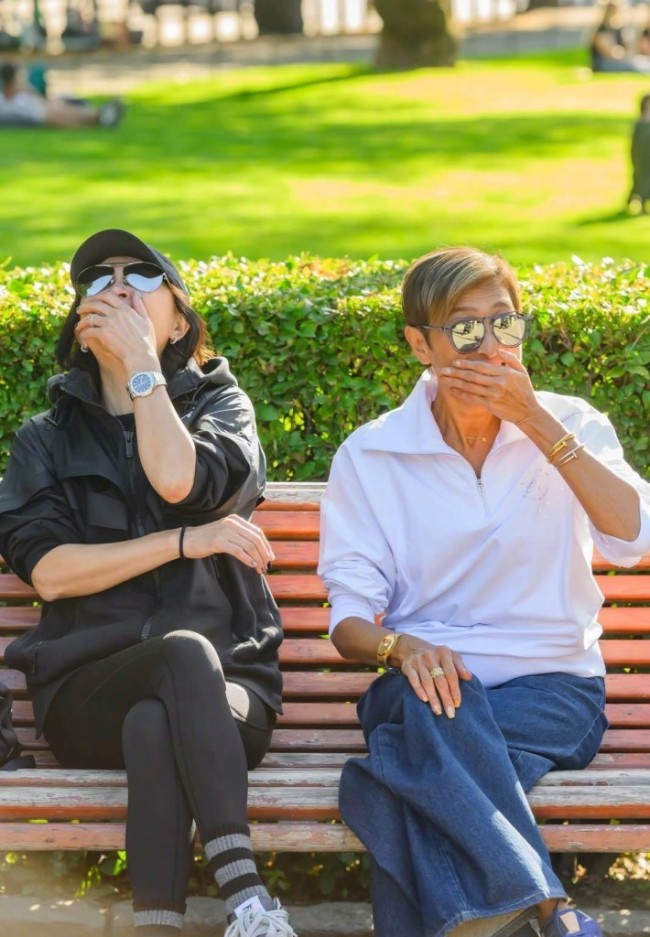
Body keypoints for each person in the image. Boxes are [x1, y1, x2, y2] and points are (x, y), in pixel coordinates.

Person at [318, 246, 650, 937]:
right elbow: (348, 619)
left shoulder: (571, 424)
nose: (490, 344)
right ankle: (548, 907)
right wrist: (403, 647)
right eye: (466, 328)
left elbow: (632, 536)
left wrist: (535, 421)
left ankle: (526, 906)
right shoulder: (372, 454)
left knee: (392, 776)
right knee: (432, 710)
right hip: (422, 682)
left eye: (505, 323)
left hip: (553, 687)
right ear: (419, 342)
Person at [0, 229, 298, 937]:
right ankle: (249, 900)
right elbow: (49, 571)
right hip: (85, 689)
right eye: (99, 280)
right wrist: (184, 541)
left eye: (143, 275)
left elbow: (178, 477)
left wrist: (142, 371)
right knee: (175, 657)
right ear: (80, 320)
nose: (120, 285)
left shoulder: (223, 408)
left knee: (163, 703)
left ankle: (157, 927)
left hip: (227, 697)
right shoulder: (45, 437)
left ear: (179, 317)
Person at [0, 62, 124, 127]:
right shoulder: (6, 102)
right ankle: (101, 117)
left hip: (45, 106)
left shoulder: (19, 93)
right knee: (59, 112)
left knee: (61, 103)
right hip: (44, 113)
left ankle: (101, 114)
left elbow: (33, 94)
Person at [589, 0, 649, 72]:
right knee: (636, 66)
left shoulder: (618, 29)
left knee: (641, 61)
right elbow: (608, 52)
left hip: (619, 60)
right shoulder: (602, 30)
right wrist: (624, 55)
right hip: (605, 63)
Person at [628, 93, 650, 213]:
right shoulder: (641, 125)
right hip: (642, 159)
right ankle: (640, 204)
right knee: (641, 181)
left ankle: (633, 199)